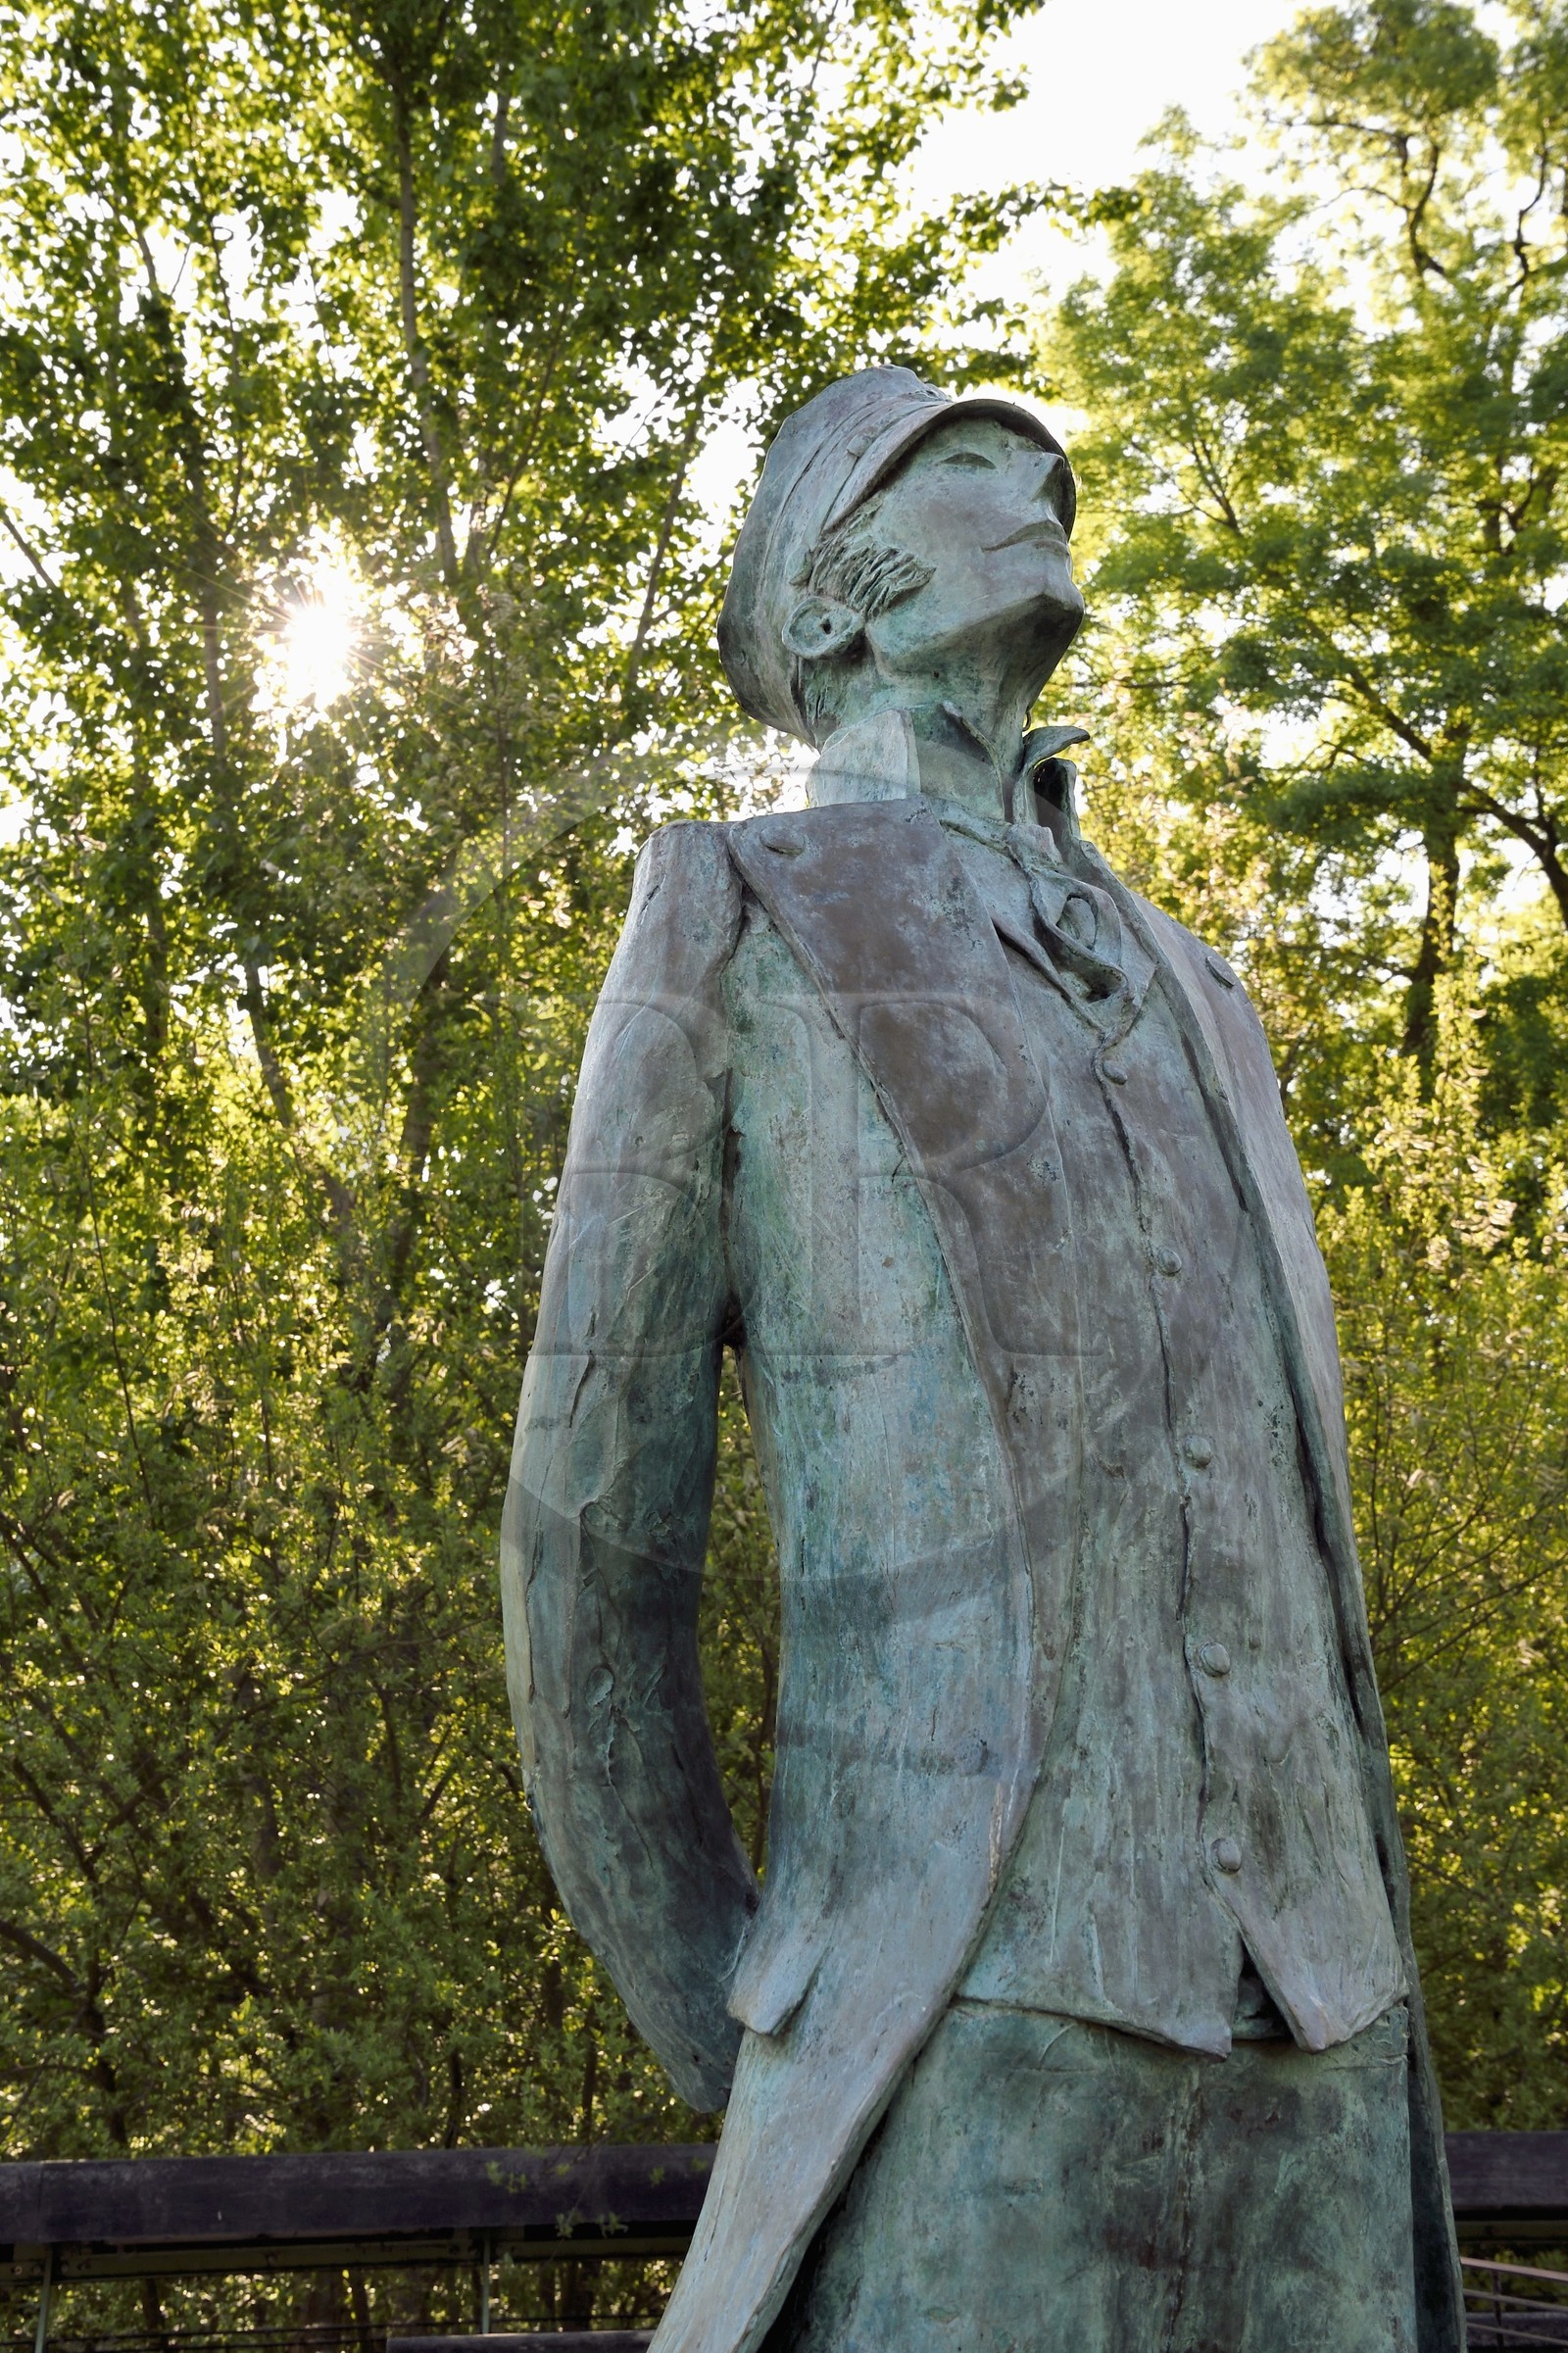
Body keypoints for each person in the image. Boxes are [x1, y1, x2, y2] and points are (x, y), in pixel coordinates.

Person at [500, 367, 1465, 2353]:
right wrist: (773, 2008)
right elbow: (590, 1549)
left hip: (1330, 2036)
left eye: (1040, 463)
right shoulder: (735, 913)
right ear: (829, 596)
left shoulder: (1204, 987)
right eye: (959, 458)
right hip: (962, 2032)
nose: (1034, 473)